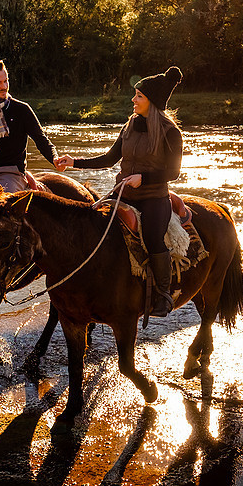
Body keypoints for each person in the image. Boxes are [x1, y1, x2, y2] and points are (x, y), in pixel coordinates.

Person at [55, 66, 183, 317]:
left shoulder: (170, 132)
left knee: (153, 238)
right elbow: (109, 158)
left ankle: (164, 294)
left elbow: (173, 172)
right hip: (123, 193)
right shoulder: (129, 126)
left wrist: (143, 178)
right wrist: (74, 162)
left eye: (139, 96)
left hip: (154, 198)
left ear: (152, 102)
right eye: (135, 95)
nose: (133, 100)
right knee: (93, 224)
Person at [0, 59, 64, 193]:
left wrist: (54, 158)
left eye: (6, 81)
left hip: (12, 174)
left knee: (3, 207)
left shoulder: (22, 110)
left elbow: (41, 139)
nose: (4, 86)